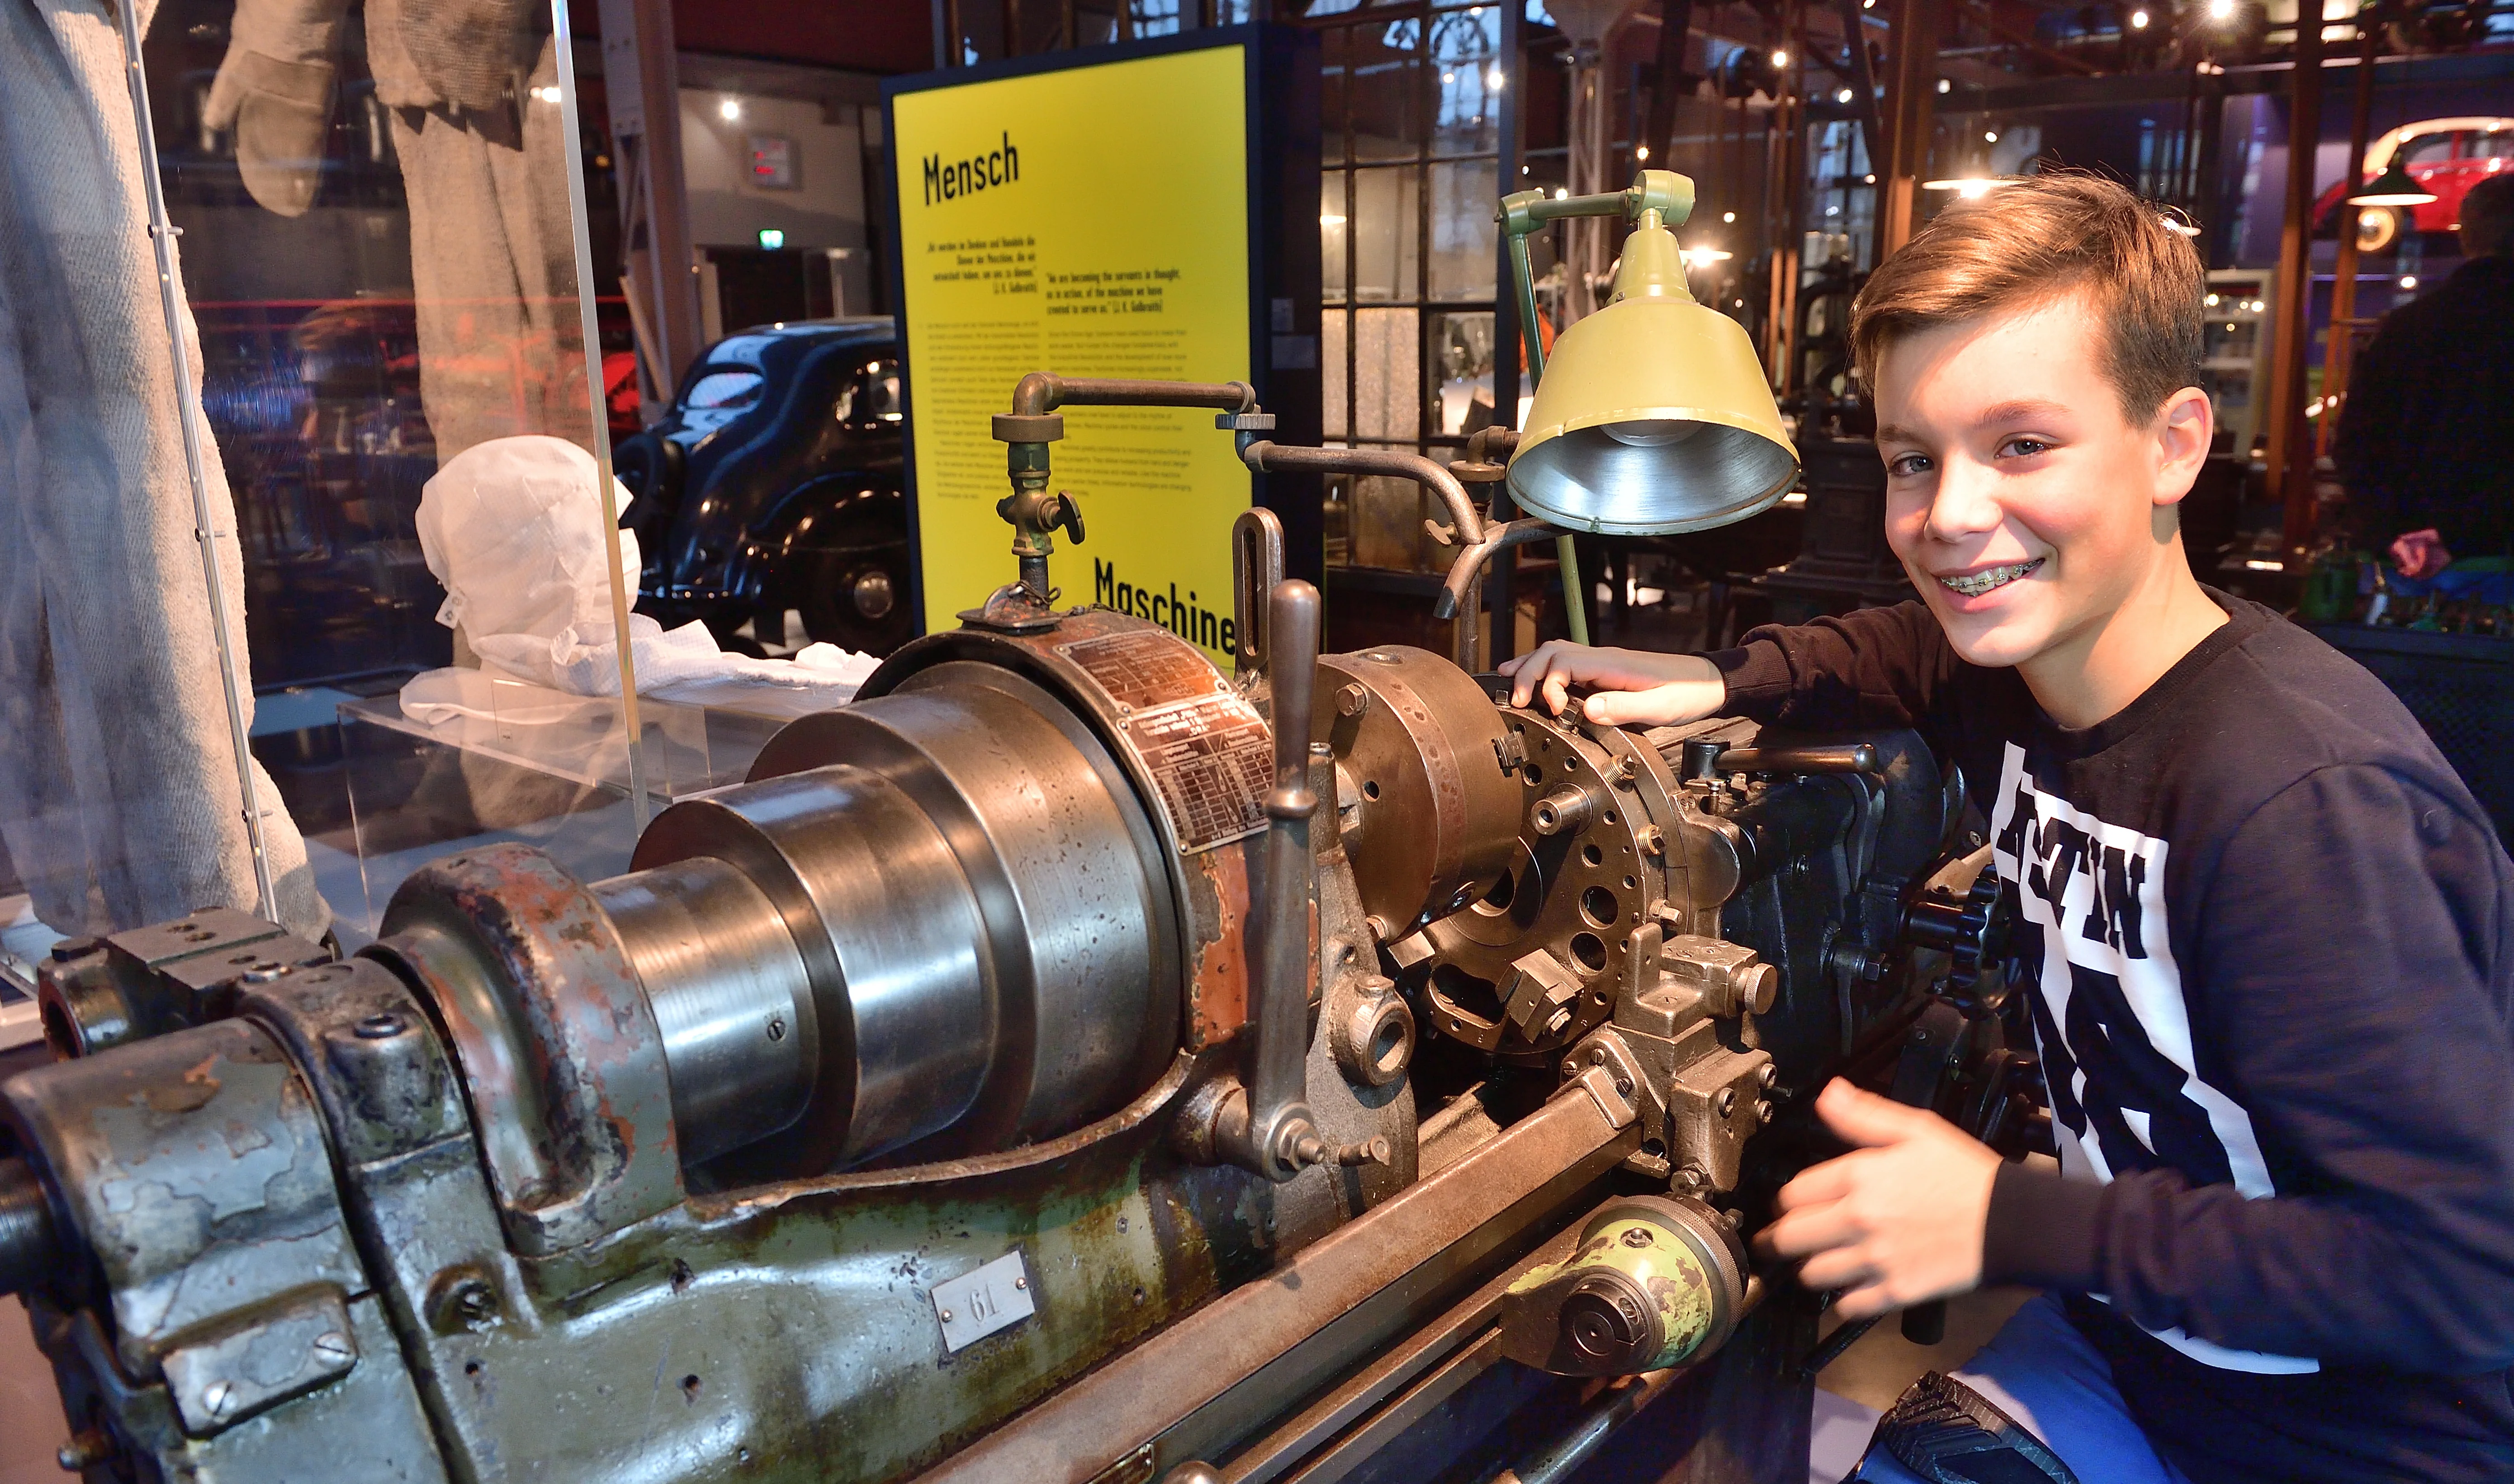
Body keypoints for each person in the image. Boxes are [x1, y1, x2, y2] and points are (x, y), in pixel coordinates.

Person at [1502, 174, 2514, 1482]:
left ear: (2171, 446)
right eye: (1913, 459)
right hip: (2140, 1349)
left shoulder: (2295, 809)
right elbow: (1899, 647)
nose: (1948, 515)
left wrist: (2011, 1219)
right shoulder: (2019, 672)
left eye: (2020, 446)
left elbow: (2457, 1272)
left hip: (2346, 1439)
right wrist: (1725, 679)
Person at [2337, 171, 2514, 579]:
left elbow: (2354, 445)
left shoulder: (2405, 327)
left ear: (2465, 236)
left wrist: (2392, 535)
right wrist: (2459, 535)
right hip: (2499, 557)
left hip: (2401, 565)